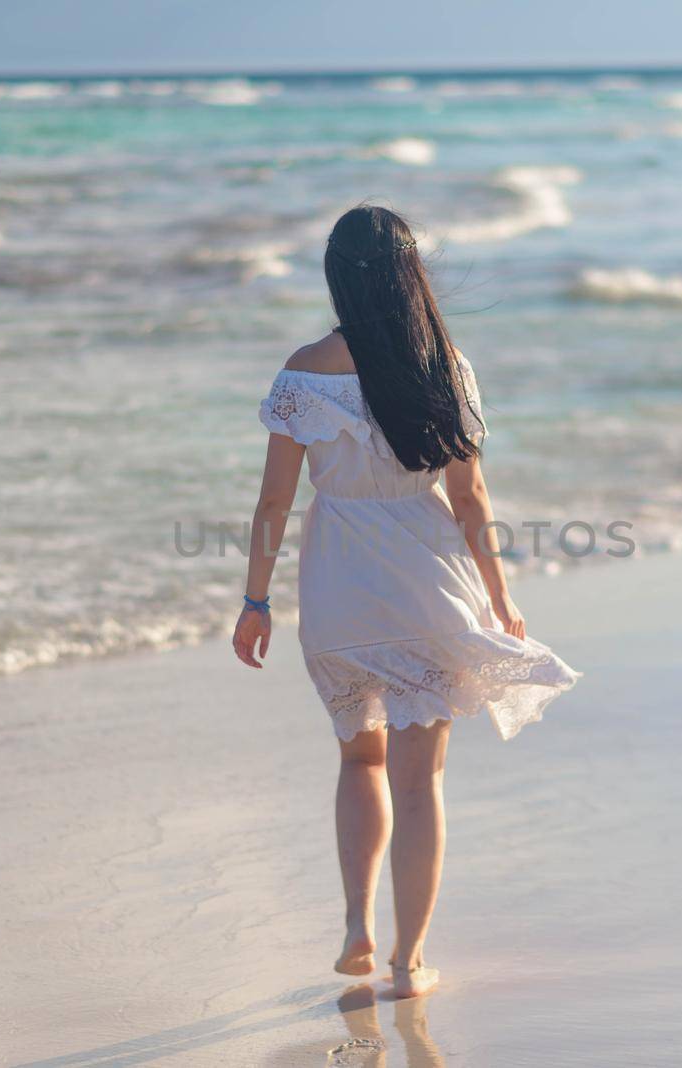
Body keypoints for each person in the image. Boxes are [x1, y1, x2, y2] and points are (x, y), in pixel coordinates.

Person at [232, 204, 579, 998]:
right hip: (430, 588)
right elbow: (472, 498)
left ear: (336, 277)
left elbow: (272, 506)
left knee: (361, 757)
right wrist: (500, 596)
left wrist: (255, 601)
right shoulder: (444, 365)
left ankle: (356, 926)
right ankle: (406, 960)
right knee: (421, 779)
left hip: (339, 592)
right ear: (409, 273)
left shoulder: (303, 371)